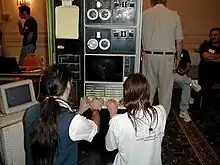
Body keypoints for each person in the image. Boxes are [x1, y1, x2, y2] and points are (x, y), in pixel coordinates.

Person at [23, 64, 103, 165]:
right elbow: (95, 129)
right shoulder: (73, 122)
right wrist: (95, 110)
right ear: (68, 85)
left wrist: (78, 112)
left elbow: (56, 120)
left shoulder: (30, 112)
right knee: (94, 155)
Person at [105, 73, 167, 165]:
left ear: (126, 94)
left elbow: (109, 147)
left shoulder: (118, 121)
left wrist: (113, 114)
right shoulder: (161, 111)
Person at [141, 0, 183, 115]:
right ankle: (162, 122)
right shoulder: (174, 15)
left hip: (149, 56)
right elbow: (179, 41)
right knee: (165, 93)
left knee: (148, 91)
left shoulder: (144, 14)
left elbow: (138, 35)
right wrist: (178, 58)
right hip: (167, 58)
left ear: (151, 1)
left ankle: (145, 120)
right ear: (165, 1)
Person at [174, 49, 201, 122]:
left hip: (180, 75)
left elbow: (188, 66)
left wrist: (182, 71)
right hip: (168, 74)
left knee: (186, 86)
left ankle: (183, 111)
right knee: (185, 81)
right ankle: (192, 83)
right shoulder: (168, 51)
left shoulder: (184, 52)